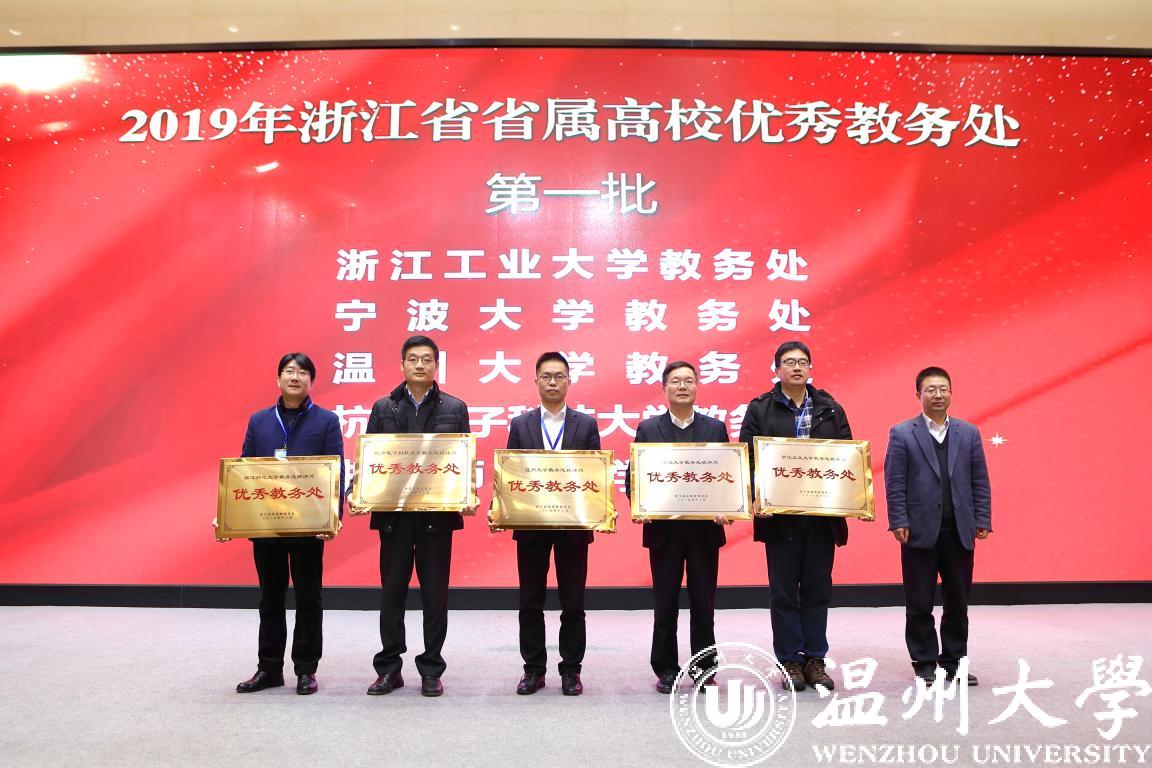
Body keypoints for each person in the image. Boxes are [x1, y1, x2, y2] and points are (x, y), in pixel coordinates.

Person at [363, 335, 473, 698]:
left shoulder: (454, 407)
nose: (420, 365)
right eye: (413, 359)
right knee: (392, 593)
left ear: (436, 366)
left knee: (434, 595)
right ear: (402, 365)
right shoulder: (383, 408)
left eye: (427, 359)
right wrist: (358, 491)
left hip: (435, 517)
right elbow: (371, 458)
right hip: (394, 517)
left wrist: (467, 492)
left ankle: (431, 669)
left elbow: (462, 460)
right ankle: (389, 668)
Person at [739, 341, 851, 692]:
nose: (797, 367)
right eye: (789, 362)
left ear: (810, 368)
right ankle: (789, 660)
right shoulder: (760, 408)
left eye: (803, 361)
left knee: (818, 589)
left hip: (820, 516)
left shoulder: (830, 408)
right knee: (784, 592)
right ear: (777, 369)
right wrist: (754, 495)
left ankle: (815, 659)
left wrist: (852, 500)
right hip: (779, 517)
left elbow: (847, 457)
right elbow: (746, 458)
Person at [231, 352, 344, 696]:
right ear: (278, 379)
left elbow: (336, 470)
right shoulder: (259, 421)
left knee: (309, 598)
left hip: (309, 525)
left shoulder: (326, 421)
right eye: (289, 371)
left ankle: (306, 669)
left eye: (303, 372)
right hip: (266, 524)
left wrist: (332, 517)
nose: (295, 377)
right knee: (270, 599)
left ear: (312, 381)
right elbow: (244, 470)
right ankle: (269, 668)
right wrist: (232, 512)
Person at [884, 367, 992, 686]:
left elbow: (979, 479)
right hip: (918, 530)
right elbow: (894, 481)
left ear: (951, 393)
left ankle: (954, 661)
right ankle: (924, 662)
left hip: (960, 530)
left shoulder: (968, 432)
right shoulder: (902, 433)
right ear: (918, 395)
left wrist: (982, 518)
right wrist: (898, 520)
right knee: (919, 602)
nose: (938, 395)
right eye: (930, 389)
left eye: (943, 389)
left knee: (958, 602)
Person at [627, 361, 729, 694]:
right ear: (664, 388)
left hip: (704, 531)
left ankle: (704, 668)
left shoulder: (715, 428)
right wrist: (639, 506)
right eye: (675, 381)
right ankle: (666, 669)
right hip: (664, 532)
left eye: (688, 381)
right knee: (665, 603)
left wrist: (728, 508)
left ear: (697, 386)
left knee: (704, 604)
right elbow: (634, 478)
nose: (682, 386)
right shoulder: (648, 429)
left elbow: (728, 476)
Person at [506, 352, 601, 696]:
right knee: (530, 602)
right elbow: (511, 473)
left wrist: (599, 511)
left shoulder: (586, 425)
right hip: (531, 525)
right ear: (536, 381)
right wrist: (503, 509)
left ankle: (571, 670)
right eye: (546, 376)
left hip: (573, 528)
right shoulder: (521, 424)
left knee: (573, 603)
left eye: (559, 376)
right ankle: (533, 670)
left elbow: (595, 475)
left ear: (569, 381)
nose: (552, 382)